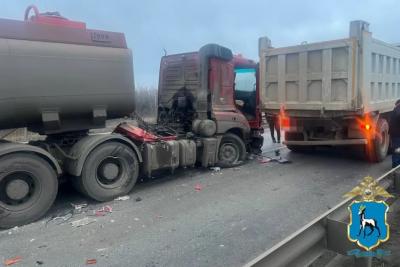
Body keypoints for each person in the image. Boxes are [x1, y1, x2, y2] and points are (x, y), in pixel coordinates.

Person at [389, 99, 400, 167]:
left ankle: (396, 164)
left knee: (397, 149)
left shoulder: (395, 110)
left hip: (394, 133)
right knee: (397, 150)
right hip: (397, 134)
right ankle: (396, 166)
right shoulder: (398, 111)